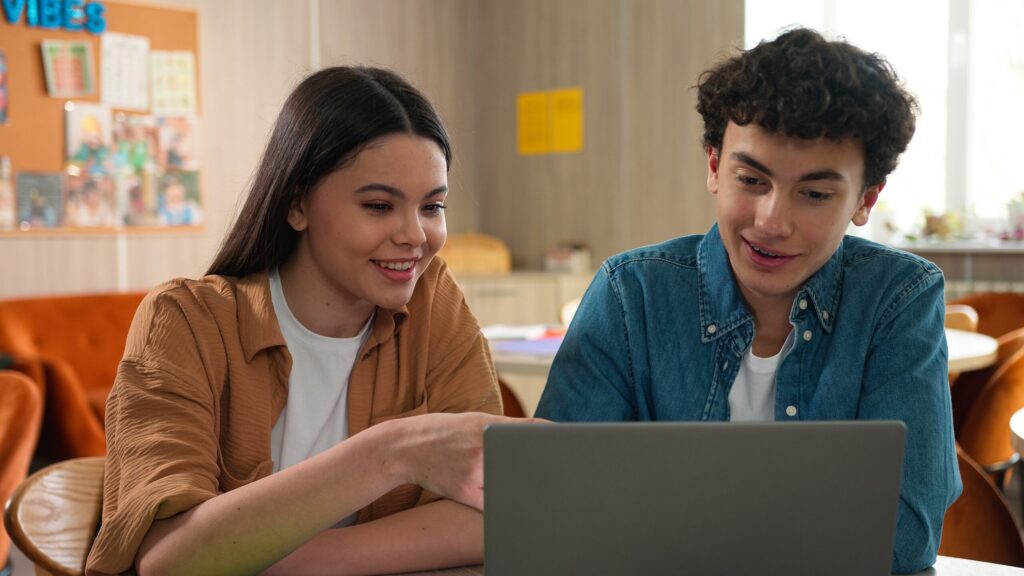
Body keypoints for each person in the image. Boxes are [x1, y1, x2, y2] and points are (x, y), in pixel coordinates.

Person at [535, 28, 961, 574]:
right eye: (750, 179)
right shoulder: (631, 292)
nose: (771, 222)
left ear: (864, 200)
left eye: (814, 193)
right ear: (714, 167)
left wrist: (663, 524)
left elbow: (905, 537)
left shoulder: (897, 298)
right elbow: (562, 507)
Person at [86, 66, 523, 576]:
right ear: (297, 204)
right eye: (379, 206)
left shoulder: (433, 300)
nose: (415, 235)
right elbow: (169, 559)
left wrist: (257, 559)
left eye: (433, 206)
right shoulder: (184, 320)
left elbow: (497, 511)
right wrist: (391, 454)